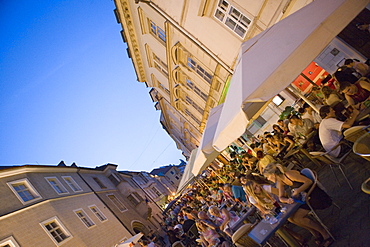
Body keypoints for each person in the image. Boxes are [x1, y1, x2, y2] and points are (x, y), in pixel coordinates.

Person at [263, 163, 333, 247]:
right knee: (291, 219)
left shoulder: (289, 174)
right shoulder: (280, 180)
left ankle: (325, 233)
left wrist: (297, 191)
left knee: (297, 217)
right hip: (305, 199)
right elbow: (281, 197)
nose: (268, 179)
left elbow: (309, 181)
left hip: (315, 196)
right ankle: (316, 232)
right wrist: (287, 200)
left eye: (268, 177)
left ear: (273, 174)